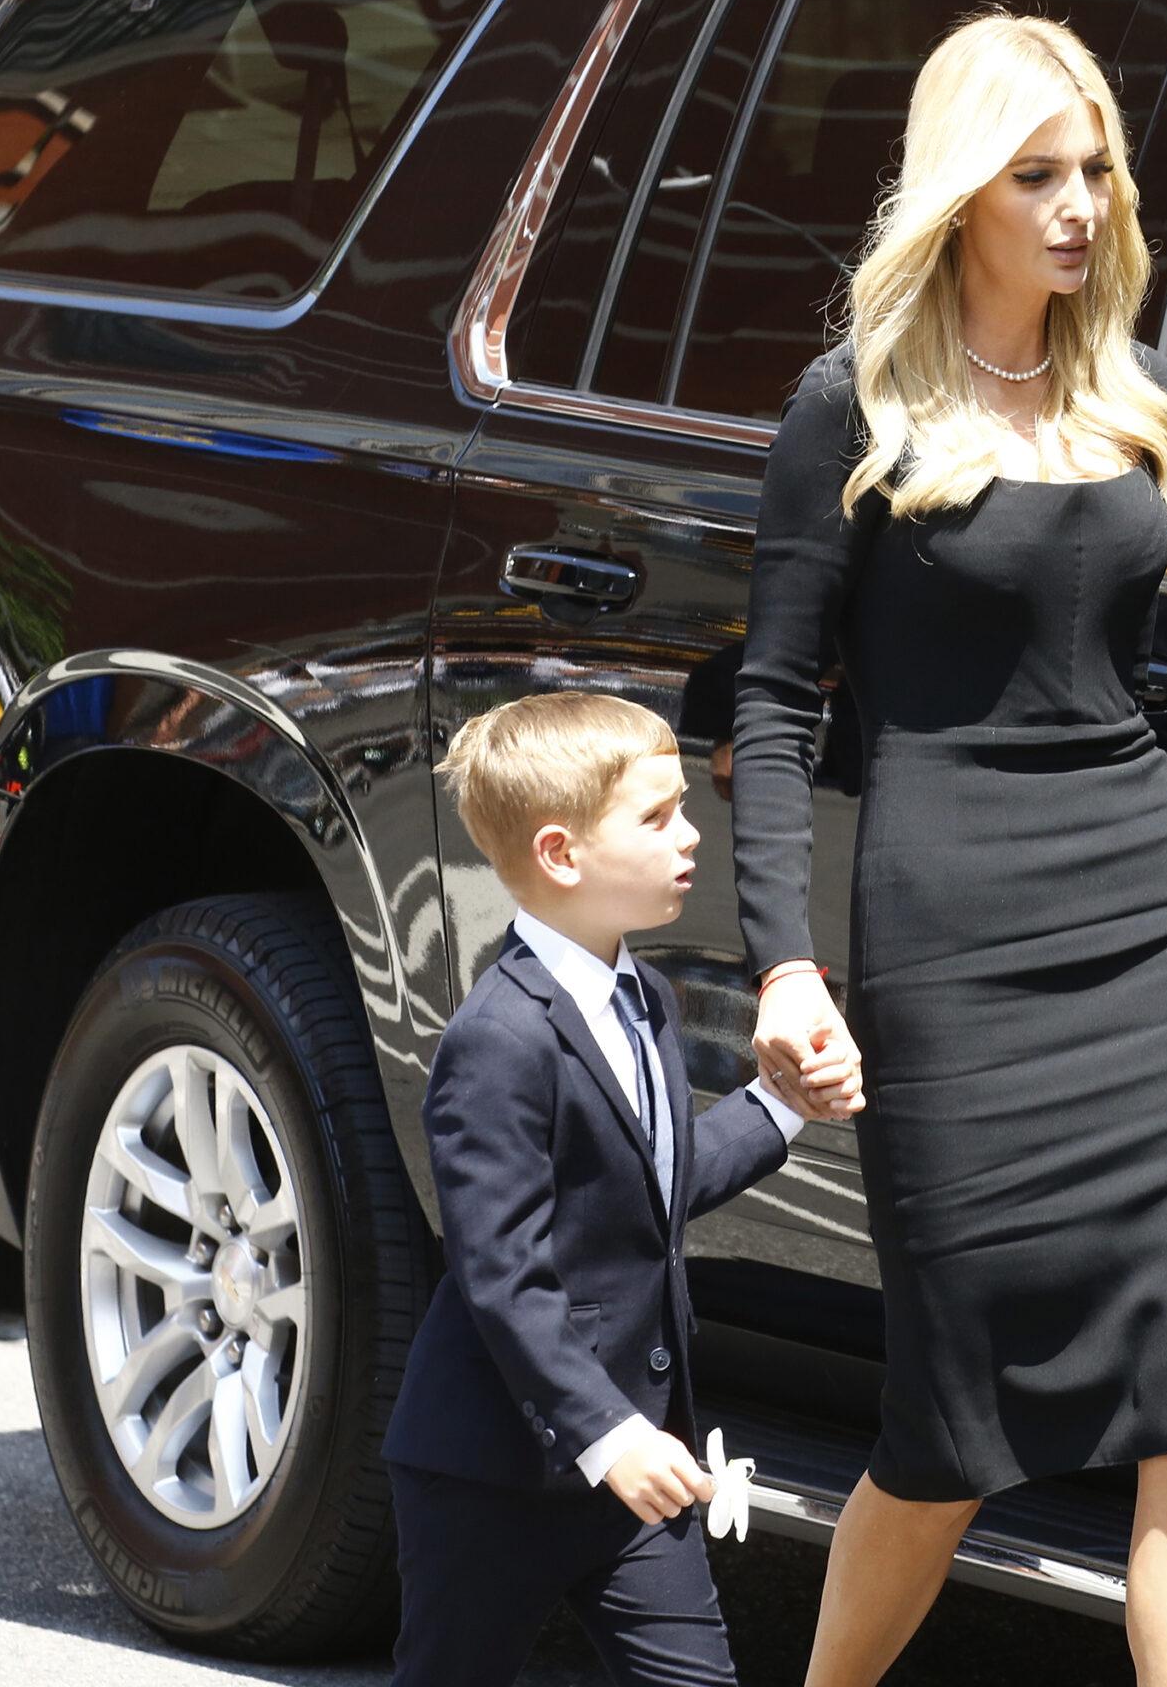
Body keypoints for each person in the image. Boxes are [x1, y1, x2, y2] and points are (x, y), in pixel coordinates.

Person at [734, 12, 1167, 1687]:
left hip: (1148, 924)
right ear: (959, 193)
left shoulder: (1139, 391)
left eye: (1096, 167)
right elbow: (769, 704)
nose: (1077, 203)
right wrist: (784, 959)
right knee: (956, 1419)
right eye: (1035, 172)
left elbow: (1099, 655)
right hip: (952, 925)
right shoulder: (856, 407)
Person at [383, 691, 859, 1687]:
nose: (691, 834)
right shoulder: (498, 1039)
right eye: (656, 817)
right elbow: (501, 1274)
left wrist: (780, 1103)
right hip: (495, 1469)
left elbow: (652, 1178)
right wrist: (603, 1431)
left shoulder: (639, 992)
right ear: (561, 854)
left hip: (634, 1457)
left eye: (683, 806)